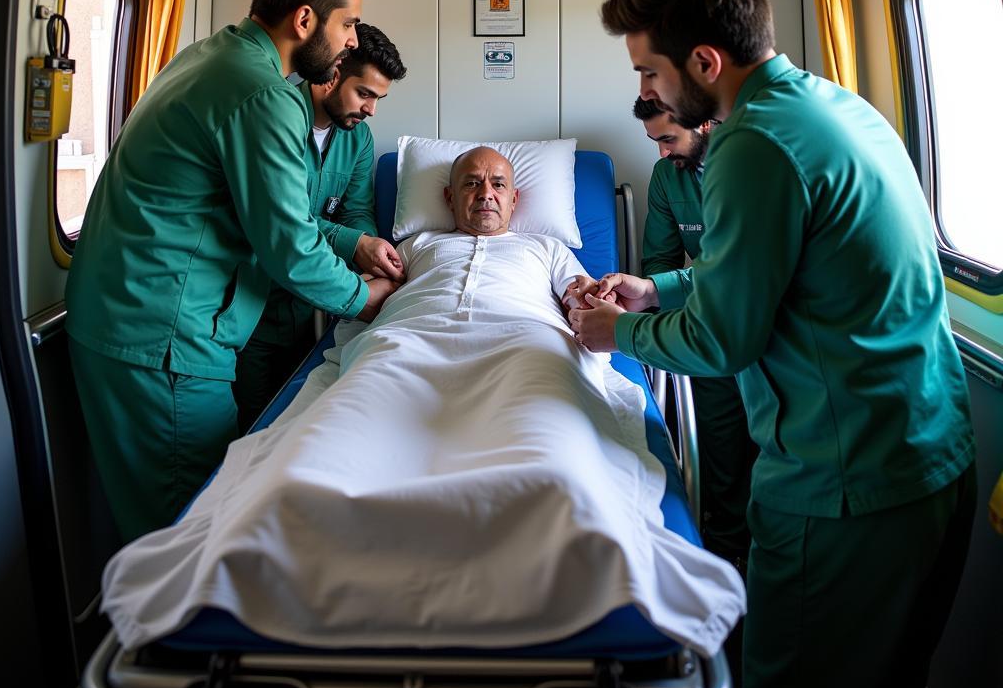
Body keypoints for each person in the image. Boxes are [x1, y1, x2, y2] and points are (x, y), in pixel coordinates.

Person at [99, 145, 746, 659]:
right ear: (446, 198)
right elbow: (362, 296)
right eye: (470, 183)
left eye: (496, 184)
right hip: (405, 346)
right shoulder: (410, 247)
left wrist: (589, 300)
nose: (484, 194)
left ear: (517, 199)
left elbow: (582, 297)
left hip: (526, 350)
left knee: (560, 456)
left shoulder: (547, 247)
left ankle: (585, 547)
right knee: (318, 452)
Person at [568, 0, 976, 688]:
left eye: (649, 72)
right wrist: (652, 288)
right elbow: (788, 269)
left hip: (842, 484)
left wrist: (609, 334)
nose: (647, 89)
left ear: (704, 62)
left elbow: (723, 341)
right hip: (928, 453)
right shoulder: (834, 104)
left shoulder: (748, 144)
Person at [66, 0, 400, 541]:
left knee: (160, 523)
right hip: (165, 338)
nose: (352, 40)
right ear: (306, 19)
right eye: (349, 24)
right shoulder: (265, 95)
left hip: (125, 317)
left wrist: (352, 247)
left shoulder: (210, 56)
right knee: (188, 535)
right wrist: (365, 298)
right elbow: (290, 246)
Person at [234, 22, 407, 431]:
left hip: (308, 300)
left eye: (378, 98)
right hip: (252, 300)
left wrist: (364, 248)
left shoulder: (357, 138)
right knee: (253, 424)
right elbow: (286, 219)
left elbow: (356, 210)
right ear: (333, 73)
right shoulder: (278, 117)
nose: (370, 110)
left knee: (293, 419)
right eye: (364, 94)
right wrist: (354, 243)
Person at [632, 97, 756, 571]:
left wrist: (651, 292)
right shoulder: (667, 178)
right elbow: (660, 262)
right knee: (720, 457)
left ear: (704, 122)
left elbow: (736, 271)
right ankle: (726, 555)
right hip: (710, 329)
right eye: (655, 142)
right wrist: (650, 301)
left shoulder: (748, 166)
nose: (662, 154)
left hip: (764, 327)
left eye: (668, 139)